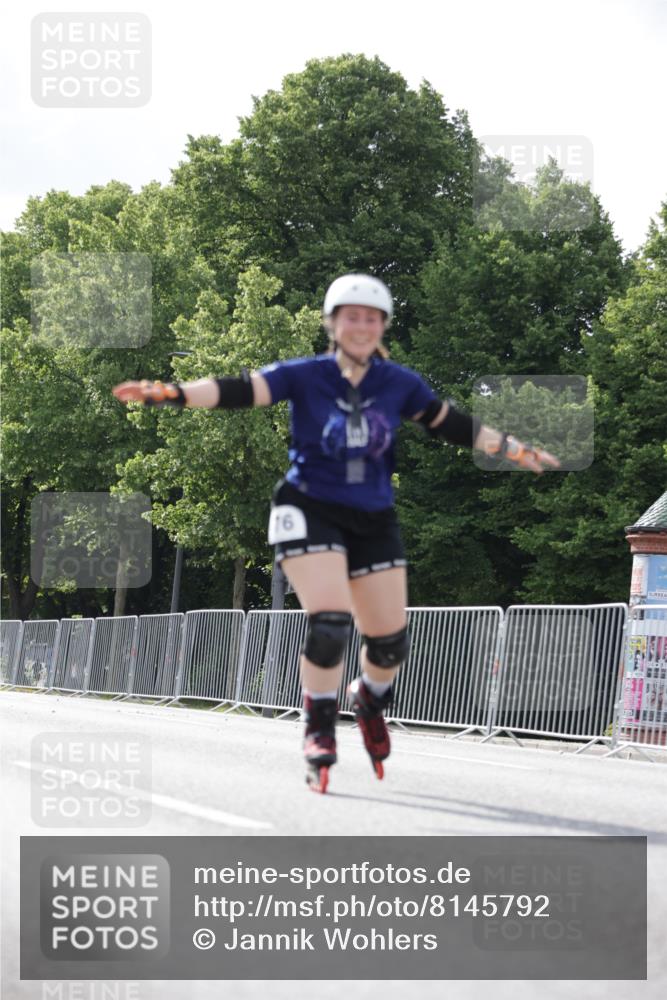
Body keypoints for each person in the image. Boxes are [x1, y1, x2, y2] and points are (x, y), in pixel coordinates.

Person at [112, 273, 560, 793]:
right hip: (309, 506)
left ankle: (369, 696)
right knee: (329, 624)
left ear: (383, 326)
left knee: (390, 644)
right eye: (352, 316)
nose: (362, 325)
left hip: (372, 516)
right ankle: (319, 727)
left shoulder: (399, 383)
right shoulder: (306, 375)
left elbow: (451, 423)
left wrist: (514, 449)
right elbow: (239, 390)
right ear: (333, 323)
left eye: (372, 318)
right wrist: (171, 393)